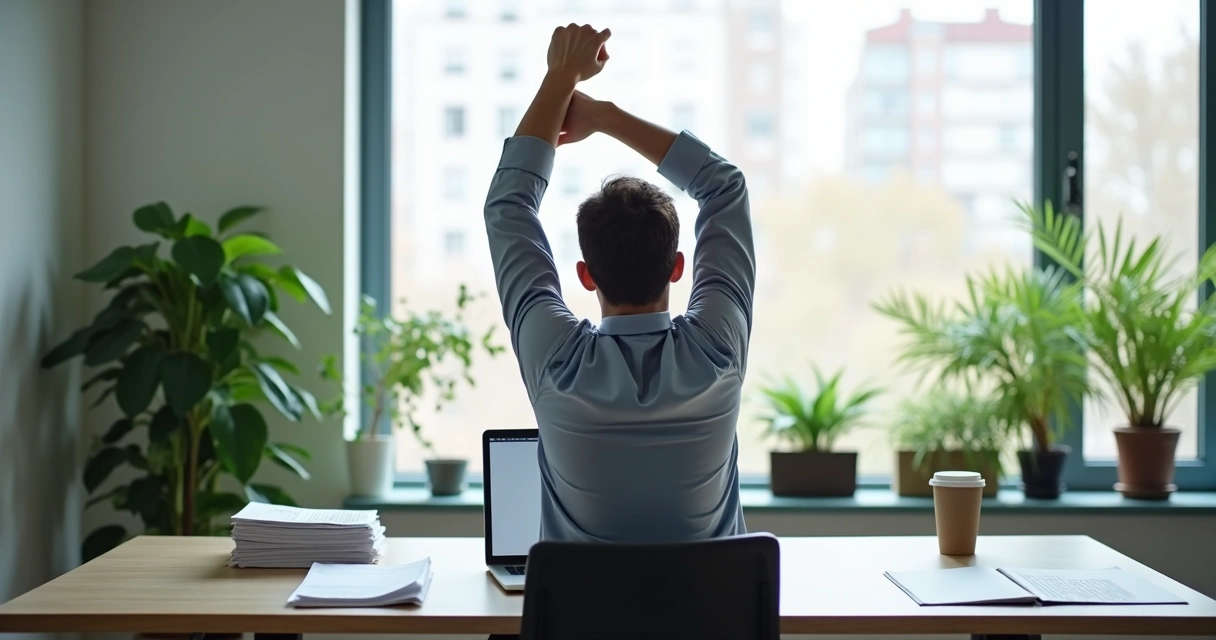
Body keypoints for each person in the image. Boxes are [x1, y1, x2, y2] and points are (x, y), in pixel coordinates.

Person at [483, 24, 755, 544]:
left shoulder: (556, 363)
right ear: (678, 267)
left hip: (580, 623)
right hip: (711, 622)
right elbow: (725, 188)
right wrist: (604, 117)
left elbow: (508, 206)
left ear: (585, 276)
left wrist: (560, 77)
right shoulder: (718, 353)